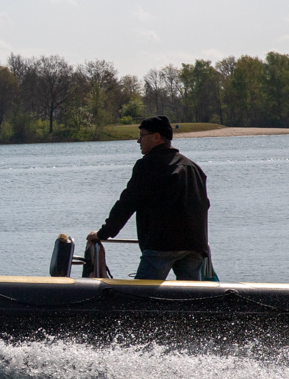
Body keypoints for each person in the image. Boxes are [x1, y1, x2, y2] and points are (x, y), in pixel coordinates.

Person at [86, 114, 212, 281]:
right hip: (195, 245)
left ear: (156, 137)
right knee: (191, 297)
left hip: (162, 245)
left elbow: (127, 203)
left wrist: (104, 233)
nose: (138, 141)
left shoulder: (148, 165)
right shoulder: (193, 167)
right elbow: (205, 204)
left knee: (141, 296)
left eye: (141, 136)